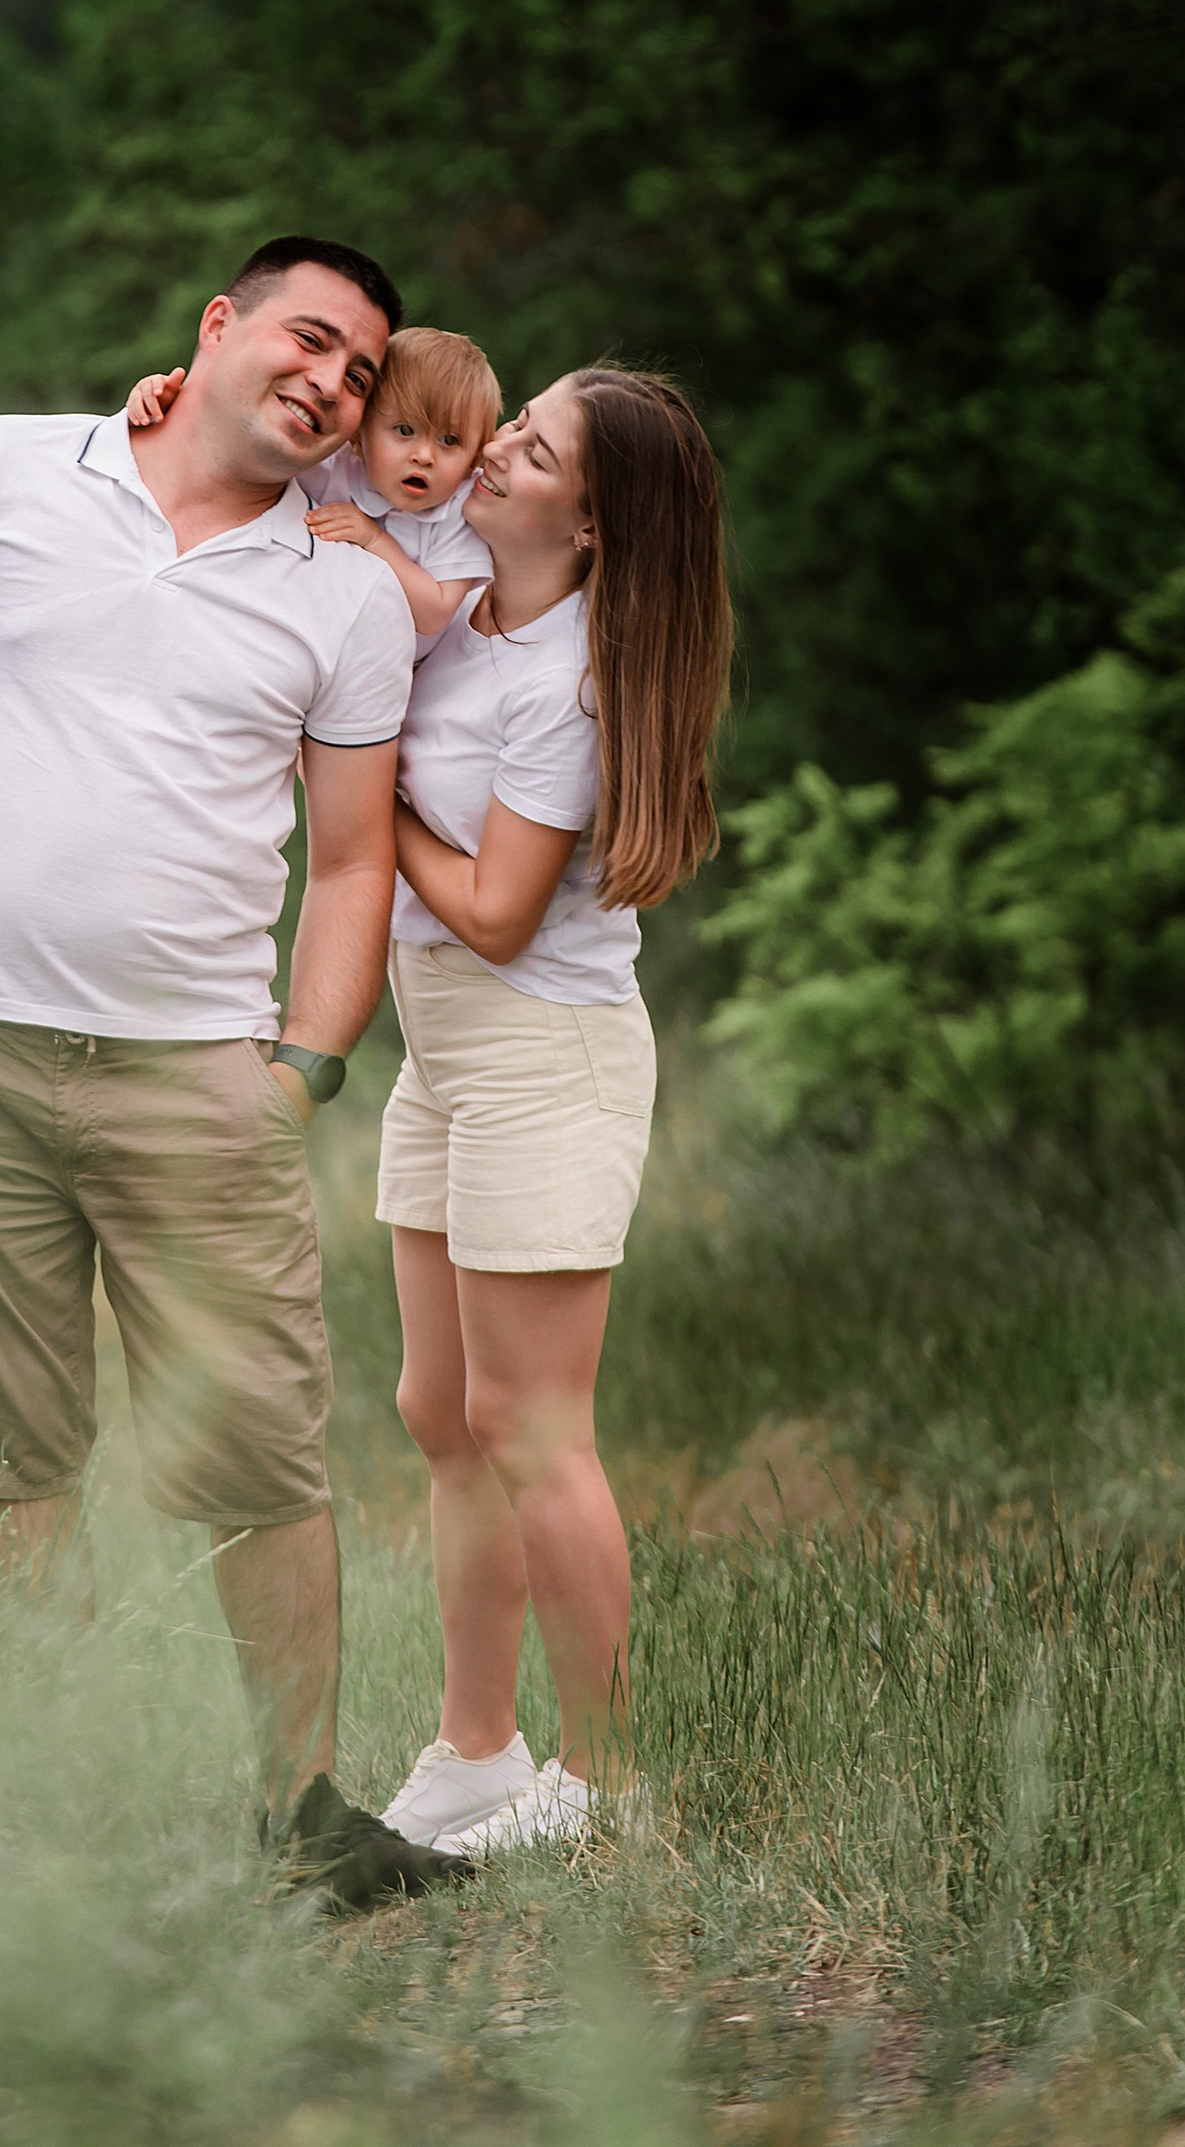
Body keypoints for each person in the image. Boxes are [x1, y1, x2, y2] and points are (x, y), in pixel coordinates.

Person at [0, 235, 467, 1913]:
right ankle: (20, 1811)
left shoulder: (344, 588)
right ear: (220, 325)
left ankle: (304, 1809)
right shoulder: (3, 468)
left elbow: (345, 865)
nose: (329, 382)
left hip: (198, 1079)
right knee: (5, 1448)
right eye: (309, 340)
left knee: (257, 1445)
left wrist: (306, 1065)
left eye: (357, 372)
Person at [370, 366, 732, 1859]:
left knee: (532, 1426)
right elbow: (324, 491)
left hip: (542, 1050)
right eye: (512, 426)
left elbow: (500, 913)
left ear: (590, 524)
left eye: (536, 448)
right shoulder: (462, 586)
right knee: (442, 1415)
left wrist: (358, 803)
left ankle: (603, 1782)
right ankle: (474, 1749)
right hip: (443, 1053)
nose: (499, 447)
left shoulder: (569, 685)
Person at [127, 322, 504, 643]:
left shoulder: (460, 509)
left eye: (450, 441)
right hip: (294, 629)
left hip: (394, 673)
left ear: (475, 457)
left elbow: (435, 613)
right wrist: (169, 398)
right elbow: (237, 446)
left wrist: (373, 540)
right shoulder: (331, 464)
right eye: (404, 430)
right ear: (360, 432)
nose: (425, 456)